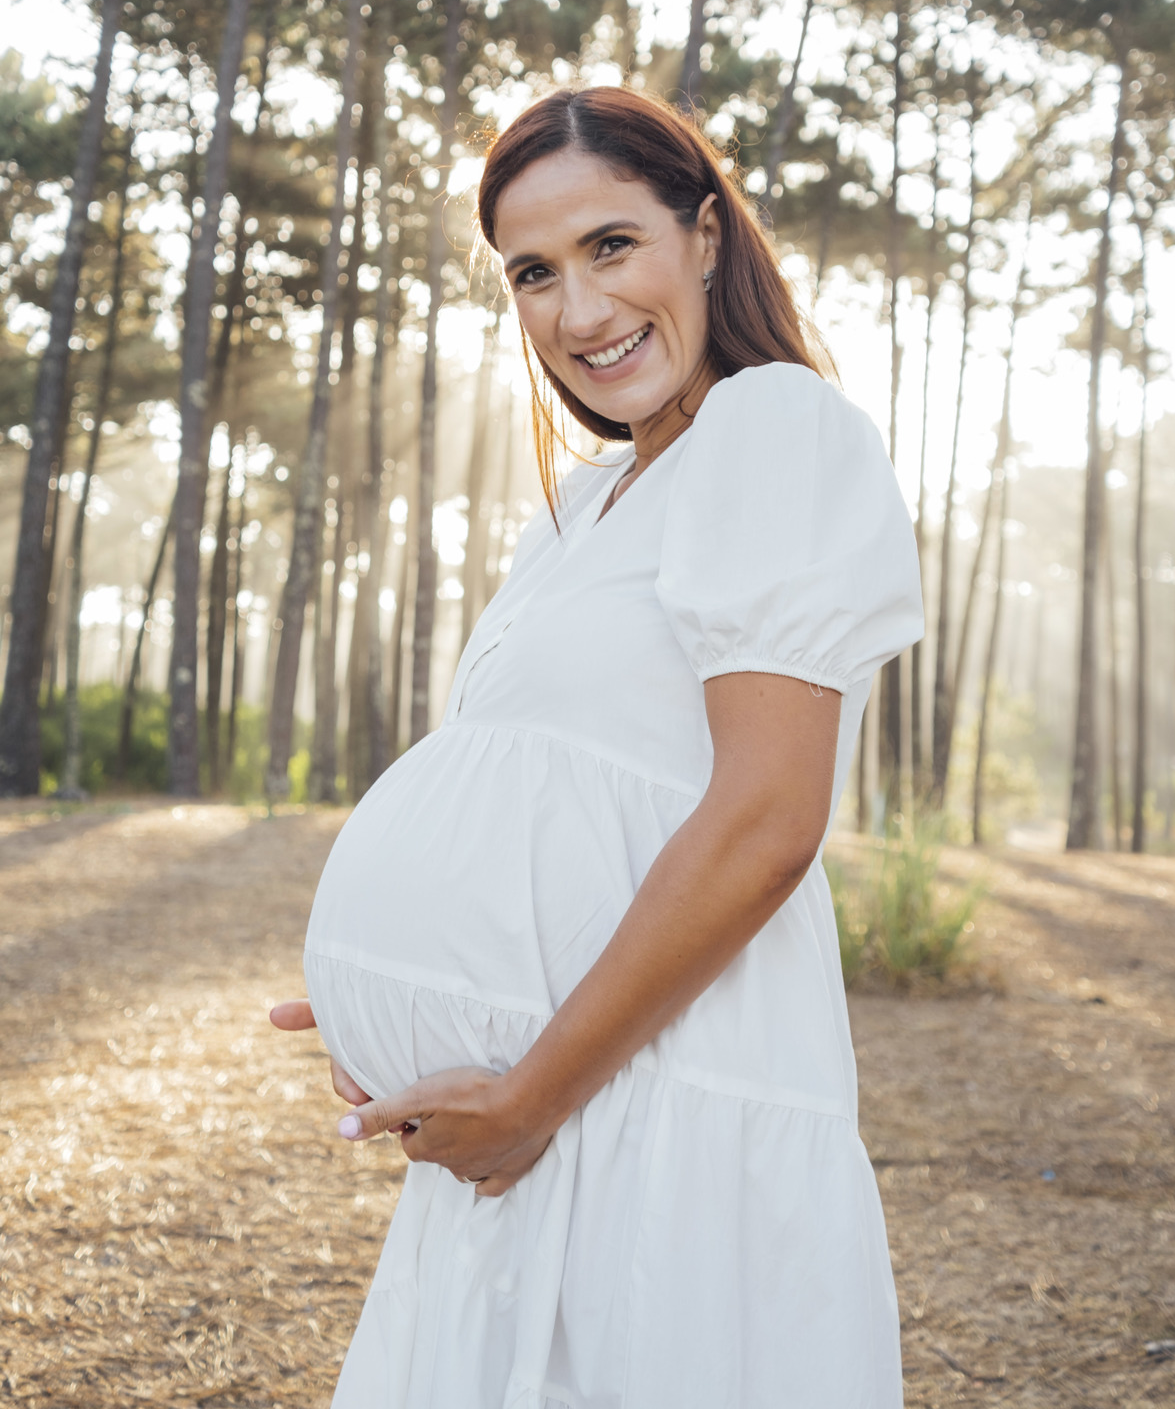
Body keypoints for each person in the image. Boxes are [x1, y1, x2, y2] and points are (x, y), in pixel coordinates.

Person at [271, 84, 924, 1407]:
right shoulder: (583, 504)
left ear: (706, 234)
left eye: (612, 246)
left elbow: (766, 819)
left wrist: (528, 1097)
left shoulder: (774, 427)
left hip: (655, 1119)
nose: (579, 313)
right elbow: (545, 800)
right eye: (534, 272)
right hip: (544, 1128)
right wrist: (394, 998)